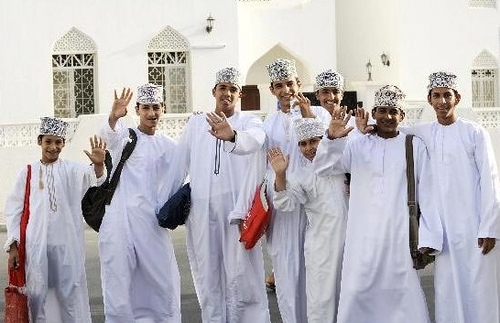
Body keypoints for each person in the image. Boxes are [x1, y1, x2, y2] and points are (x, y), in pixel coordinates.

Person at [314, 85, 441, 322]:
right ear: (374, 112)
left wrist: (429, 236)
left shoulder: (414, 146)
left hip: (399, 234)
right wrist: (332, 138)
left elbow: (429, 193)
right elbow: (324, 168)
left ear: (402, 116)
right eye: (382, 110)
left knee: (401, 291)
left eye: (393, 111)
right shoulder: (357, 143)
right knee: (359, 290)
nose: (387, 117)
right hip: (362, 236)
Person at [399, 72, 500, 322]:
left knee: (481, 291)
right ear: (429, 100)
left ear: (457, 98)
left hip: (475, 227)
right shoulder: (422, 132)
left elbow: (491, 179)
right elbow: (390, 132)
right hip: (443, 231)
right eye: (437, 96)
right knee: (447, 291)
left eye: (447, 95)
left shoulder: (474, 132)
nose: (442, 101)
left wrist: (489, 228)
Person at [176, 67, 271, 322]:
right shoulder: (197, 123)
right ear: (214, 92)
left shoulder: (249, 122)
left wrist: (233, 136)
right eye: (222, 88)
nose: (227, 94)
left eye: (233, 90)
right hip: (201, 210)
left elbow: (256, 140)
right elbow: (178, 163)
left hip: (236, 210)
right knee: (208, 273)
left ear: (239, 95)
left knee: (242, 274)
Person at [4, 117, 106, 322]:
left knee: (69, 296)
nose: (53, 147)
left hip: (67, 245)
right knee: (38, 296)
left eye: (58, 142)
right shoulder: (28, 171)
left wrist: (99, 165)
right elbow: (14, 210)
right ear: (39, 141)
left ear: (63, 144)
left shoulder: (72, 169)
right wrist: (13, 246)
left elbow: (95, 178)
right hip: (36, 245)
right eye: (48, 141)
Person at [98, 84, 184, 322]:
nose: (151, 113)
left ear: (163, 109)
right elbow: (108, 138)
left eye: (156, 107)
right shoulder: (125, 137)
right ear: (137, 110)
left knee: (163, 281)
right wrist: (114, 116)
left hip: (151, 222)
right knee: (119, 283)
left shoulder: (170, 145)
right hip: (120, 220)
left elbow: (184, 172)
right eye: (146, 107)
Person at [262, 58, 331, 323]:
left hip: (316, 201)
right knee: (286, 267)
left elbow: (328, 149)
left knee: (316, 266)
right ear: (272, 90)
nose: (285, 90)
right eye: (279, 85)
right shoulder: (268, 122)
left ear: (299, 84)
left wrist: (307, 115)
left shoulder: (319, 113)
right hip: (282, 201)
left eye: (289, 83)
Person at [268, 118, 348, 323]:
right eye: (303, 143)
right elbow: (286, 203)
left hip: (352, 245)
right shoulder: (301, 175)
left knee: (351, 298)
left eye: (314, 141)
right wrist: (280, 175)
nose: (309, 148)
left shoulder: (343, 164)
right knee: (321, 302)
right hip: (321, 250)